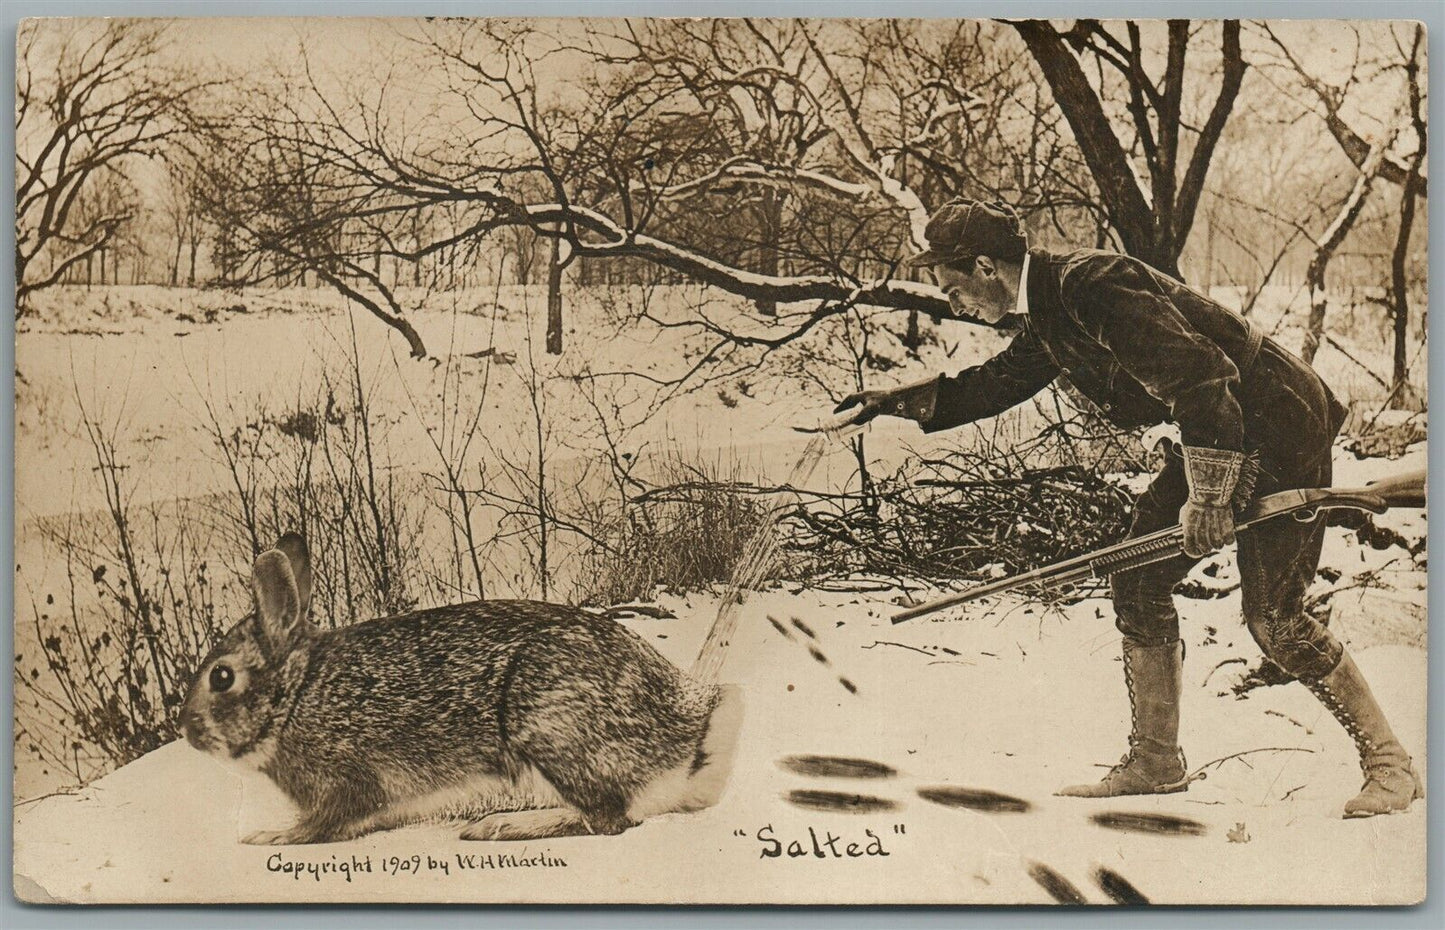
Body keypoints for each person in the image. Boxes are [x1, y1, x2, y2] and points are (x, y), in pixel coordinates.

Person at [834, 198, 1422, 818]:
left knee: (1274, 618)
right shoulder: (1051, 312)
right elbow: (995, 384)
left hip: (1276, 421)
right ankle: (1156, 761)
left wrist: (1209, 497)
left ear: (985, 265)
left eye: (954, 291)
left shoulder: (1092, 285)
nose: (956, 307)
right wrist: (892, 401)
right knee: (1138, 578)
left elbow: (1202, 378)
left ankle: (1391, 765)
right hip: (1220, 423)